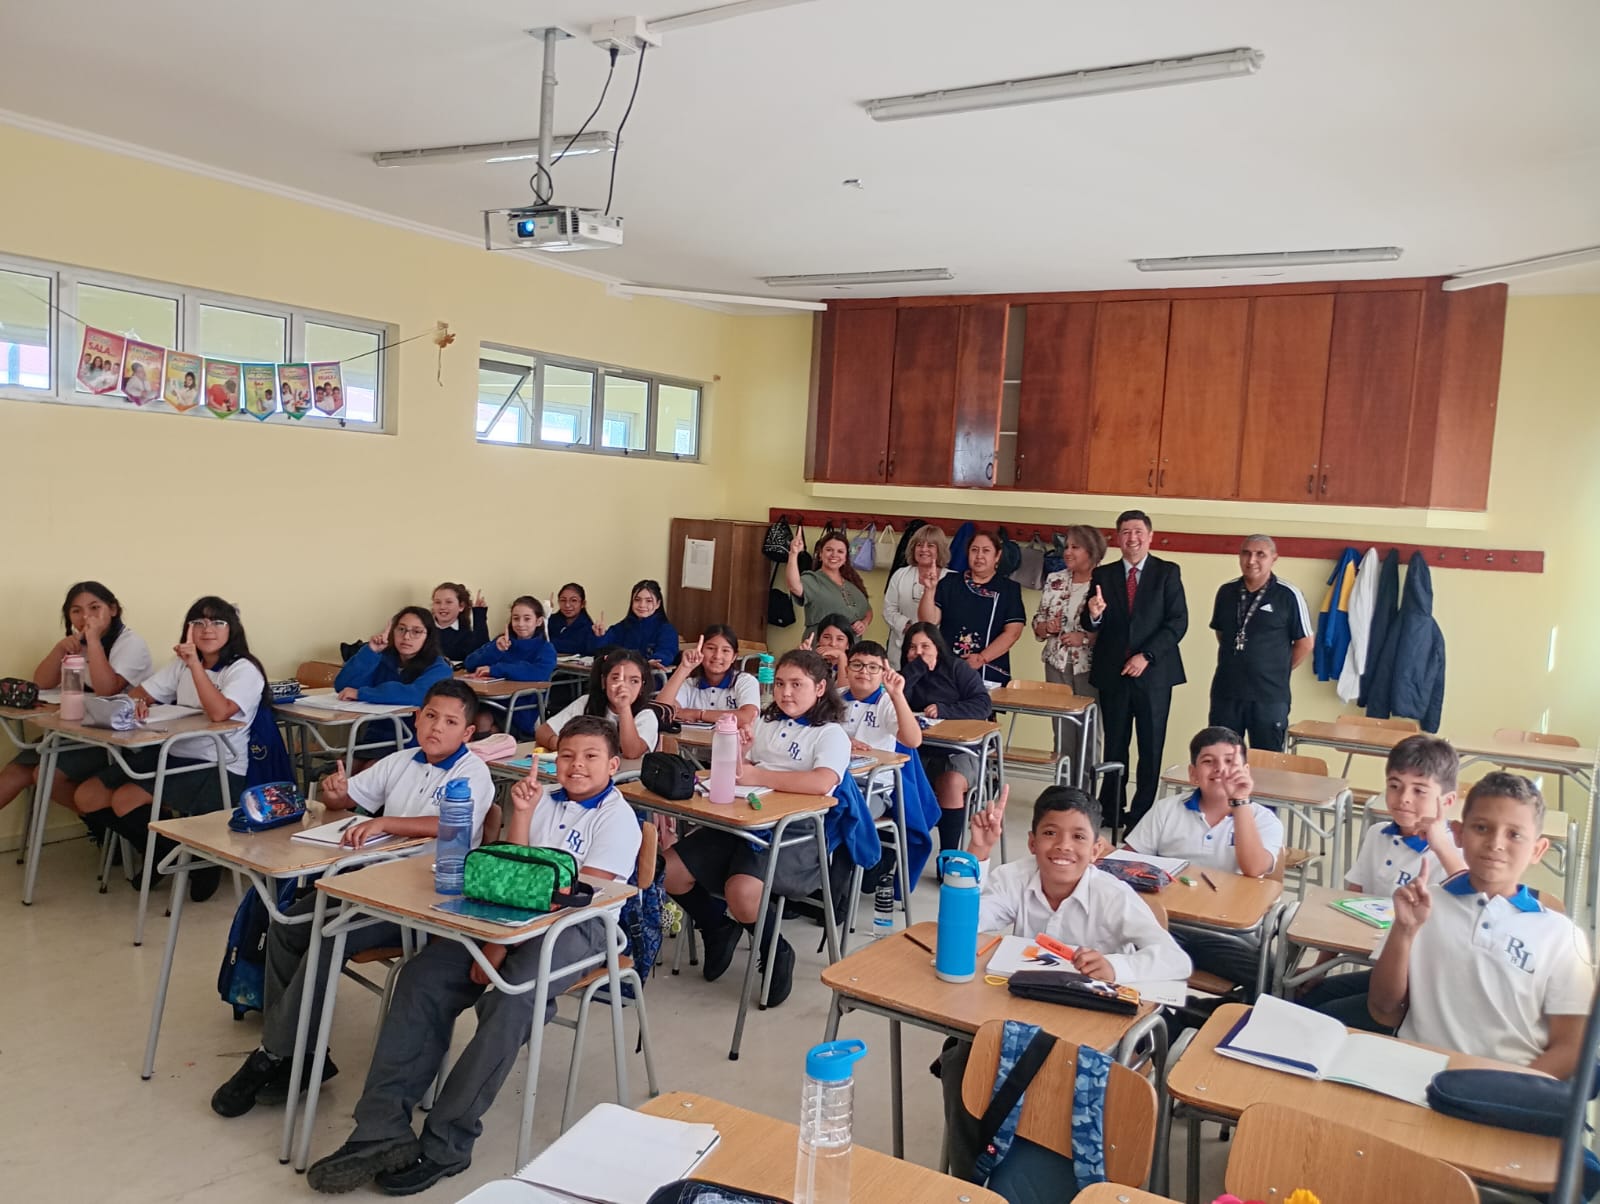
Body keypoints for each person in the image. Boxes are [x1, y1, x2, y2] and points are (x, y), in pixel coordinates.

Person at [305, 716, 642, 1194]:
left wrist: (500, 946)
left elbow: (573, 898)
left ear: (613, 765)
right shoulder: (541, 798)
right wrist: (521, 815)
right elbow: (510, 871)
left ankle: (447, 1142)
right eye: (567, 756)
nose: (576, 765)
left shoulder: (617, 818)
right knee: (422, 977)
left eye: (590, 757)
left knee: (512, 999)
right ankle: (380, 1129)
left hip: (581, 928)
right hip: (507, 917)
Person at [210, 680, 494, 1118]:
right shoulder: (400, 761)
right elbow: (344, 800)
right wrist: (336, 792)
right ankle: (306, 1056)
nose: (437, 727)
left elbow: (449, 824)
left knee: (328, 936)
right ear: (416, 718)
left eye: (451, 721)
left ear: (468, 732)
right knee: (287, 925)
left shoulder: (473, 773)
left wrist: (384, 823)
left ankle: (273, 1053)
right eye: (431, 716)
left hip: (423, 901)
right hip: (371, 884)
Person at [943, 785, 1191, 1193]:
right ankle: (972, 1180)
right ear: (1032, 842)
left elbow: (1176, 961)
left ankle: (1025, 1172)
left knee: (1037, 1074)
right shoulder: (1015, 877)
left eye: (1078, 836)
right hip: (1023, 1019)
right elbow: (961, 928)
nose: (1063, 846)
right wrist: (979, 853)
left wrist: (1116, 966)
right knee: (961, 1060)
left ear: (1096, 850)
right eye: (1050, 833)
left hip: (1091, 1032)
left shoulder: (1113, 896)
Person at [1369, 773, 1594, 1077]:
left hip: (1506, 1089)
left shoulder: (1562, 936)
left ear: (1538, 850)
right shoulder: (1422, 905)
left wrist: (1498, 1090)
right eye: (1481, 828)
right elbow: (1383, 1012)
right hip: (1416, 1073)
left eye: (1514, 835)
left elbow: (1571, 1048)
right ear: (1458, 834)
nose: (1495, 844)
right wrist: (1404, 931)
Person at [664, 648, 850, 1008]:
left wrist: (757, 774)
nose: (786, 692)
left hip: (794, 836)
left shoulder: (830, 734)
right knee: (669, 870)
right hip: (744, 822)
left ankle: (774, 948)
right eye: (779, 684)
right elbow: (743, 774)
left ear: (820, 687)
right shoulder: (767, 722)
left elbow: (822, 782)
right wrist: (740, 754)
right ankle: (718, 927)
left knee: (742, 892)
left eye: (797, 684)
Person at [73, 596, 268, 901]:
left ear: (232, 629)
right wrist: (137, 704)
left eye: (217, 622)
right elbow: (139, 694)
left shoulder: (243, 669)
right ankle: (168, 852)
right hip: (174, 752)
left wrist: (195, 665)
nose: (207, 629)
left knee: (125, 799)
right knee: (88, 796)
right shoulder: (180, 665)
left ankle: (198, 859)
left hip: (217, 763)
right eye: (198, 622)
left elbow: (219, 713)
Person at [1303, 734, 1464, 1026]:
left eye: (1419, 790)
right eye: (1394, 785)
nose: (1404, 798)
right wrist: (1320, 968)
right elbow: (1349, 906)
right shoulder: (1378, 834)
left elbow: (1474, 899)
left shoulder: (1456, 856)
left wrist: (1441, 844)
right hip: (1385, 971)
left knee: (1322, 1017)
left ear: (1448, 801)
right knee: (1301, 998)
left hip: (1424, 990)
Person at [1122, 726, 1281, 993]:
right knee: (1122, 954)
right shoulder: (1166, 810)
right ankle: (1155, 1012)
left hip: (1227, 932)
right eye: (1208, 762)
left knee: (1271, 977)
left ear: (1246, 771)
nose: (1220, 769)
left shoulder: (1264, 820)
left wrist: (1239, 803)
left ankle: (1217, 1012)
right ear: (1193, 774)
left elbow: (1254, 869)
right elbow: (1126, 863)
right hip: (1165, 923)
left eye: (1230, 761)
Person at [0, 582, 152, 835]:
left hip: (114, 738)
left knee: (45, 775)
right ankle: (105, 827)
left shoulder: (130, 643)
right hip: (76, 731)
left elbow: (107, 690)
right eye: (76, 611)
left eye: (94, 608)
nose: (86, 618)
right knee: (15, 772)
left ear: (113, 609)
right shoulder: (76, 643)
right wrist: (60, 648)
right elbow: (42, 683)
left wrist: (93, 642)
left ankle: (110, 830)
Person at [1084, 509, 1188, 830]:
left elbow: (1177, 622)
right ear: (1117, 538)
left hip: (1154, 675)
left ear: (1150, 536)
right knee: (1115, 744)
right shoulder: (1103, 575)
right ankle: (1111, 809)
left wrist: (1147, 656)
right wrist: (1095, 614)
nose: (1132, 538)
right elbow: (1090, 621)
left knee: (1150, 746)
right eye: (1126, 532)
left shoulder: (1167, 572)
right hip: (1113, 673)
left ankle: (1142, 815)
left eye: (1138, 532)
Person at [1208, 535, 1313, 751]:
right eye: (1246, 553)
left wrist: (1276, 668)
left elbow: (1305, 643)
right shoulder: (1226, 592)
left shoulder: (1288, 595)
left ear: (1274, 558)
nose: (1251, 560)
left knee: (1268, 762)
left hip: (1269, 697)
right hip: (1227, 693)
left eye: (1260, 554)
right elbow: (1222, 634)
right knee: (1223, 757)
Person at [901, 621, 993, 857]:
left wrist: (945, 710)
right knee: (901, 781)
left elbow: (983, 704)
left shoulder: (956, 668)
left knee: (950, 782)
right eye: (912, 647)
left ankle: (949, 855)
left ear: (938, 648)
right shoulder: (905, 674)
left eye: (925, 646)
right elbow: (894, 700)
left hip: (958, 750)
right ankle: (902, 852)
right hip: (919, 750)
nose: (919, 653)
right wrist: (916, 669)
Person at [918, 529, 1026, 687]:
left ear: (997, 556)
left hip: (988, 669)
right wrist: (929, 590)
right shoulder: (950, 582)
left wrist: (982, 658)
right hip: (948, 668)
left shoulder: (1009, 589)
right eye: (974, 550)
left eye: (986, 551)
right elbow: (929, 621)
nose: (979, 556)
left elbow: (1013, 633)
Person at [838, 640, 921, 808]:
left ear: (883, 673)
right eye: (857, 665)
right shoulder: (834, 698)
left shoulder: (888, 703)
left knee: (847, 813)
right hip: (836, 780)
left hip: (873, 786)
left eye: (873, 667)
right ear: (846, 670)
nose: (864, 671)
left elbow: (913, 741)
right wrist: (842, 739)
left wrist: (897, 695)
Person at [534, 648, 659, 759]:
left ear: (642, 687)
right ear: (604, 682)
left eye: (634, 681)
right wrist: (563, 746)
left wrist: (624, 708)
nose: (624, 686)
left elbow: (632, 753)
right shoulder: (587, 703)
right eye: (616, 678)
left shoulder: (646, 715)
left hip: (626, 776)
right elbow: (543, 731)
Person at [463, 596, 557, 735]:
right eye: (516, 618)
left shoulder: (545, 648)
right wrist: (495, 649)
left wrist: (495, 669)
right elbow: (470, 663)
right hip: (491, 702)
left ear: (538, 621)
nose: (520, 624)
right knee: (470, 718)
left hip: (520, 709)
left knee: (483, 723)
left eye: (527, 619)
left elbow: (538, 672)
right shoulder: (502, 641)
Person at [1032, 523, 1107, 695]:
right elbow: (1038, 620)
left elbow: (1115, 628)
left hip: (1090, 666)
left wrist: (1085, 638)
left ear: (1092, 550)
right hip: (1055, 664)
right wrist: (1047, 628)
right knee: (1058, 712)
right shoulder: (1054, 579)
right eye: (1066, 547)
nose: (1067, 552)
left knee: (1089, 712)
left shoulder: (1107, 582)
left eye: (1075, 547)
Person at [335, 607, 454, 707]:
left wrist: (362, 694)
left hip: (413, 727)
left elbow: (417, 695)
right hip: (375, 725)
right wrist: (371, 652)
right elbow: (343, 686)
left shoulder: (439, 668)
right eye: (401, 629)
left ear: (428, 637)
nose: (406, 637)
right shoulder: (383, 658)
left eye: (416, 632)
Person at [656, 625, 759, 728]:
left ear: (734, 657)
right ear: (700, 651)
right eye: (711, 648)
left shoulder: (745, 681)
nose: (717, 656)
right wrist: (684, 668)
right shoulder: (690, 684)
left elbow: (747, 717)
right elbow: (661, 710)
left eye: (725, 651)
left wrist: (698, 714)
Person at [882, 525, 950, 667]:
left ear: (940, 550)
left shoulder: (951, 579)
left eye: (930, 546)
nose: (924, 549)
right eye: (919, 545)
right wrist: (908, 627)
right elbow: (889, 610)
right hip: (901, 651)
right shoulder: (900, 575)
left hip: (938, 654)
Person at [787, 530, 872, 641]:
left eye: (840, 551)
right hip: (820, 645)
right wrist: (793, 554)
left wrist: (864, 623)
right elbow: (794, 586)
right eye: (829, 550)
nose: (834, 554)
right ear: (820, 554)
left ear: (845, 558)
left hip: (850, 648)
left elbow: (867, 610)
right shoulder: (813, 579)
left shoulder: (852, 583)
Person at [594, 579, 679, 666]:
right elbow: (600, 650)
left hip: (651, 673)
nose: (642, 605)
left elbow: (666, 653)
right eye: (637, 600)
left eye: (649, 601)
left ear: (658, 604)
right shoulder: (622, 627)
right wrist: (600, 636)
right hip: (621, 672)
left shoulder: (666, 630)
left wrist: (651, 661)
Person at [430, 583, 489, 664]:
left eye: (448, 602)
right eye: (437, 602)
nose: (442, 607)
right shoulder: (423, 630)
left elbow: (482, 656)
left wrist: (479, 615)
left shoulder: (466, 635)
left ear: (461, 606)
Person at [801, 612, 856, 685]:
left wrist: (842, 657)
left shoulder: (856, 667)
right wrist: (801, 660)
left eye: (839, 639)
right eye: (827, 637)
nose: (833, 644)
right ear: (818, 641)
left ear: (848, 645)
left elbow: (844, 690)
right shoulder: (813, 664)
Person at [546, 582, 599, 656]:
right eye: (563, 600)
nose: (567, 605)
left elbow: (585, 650)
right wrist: (545, 616)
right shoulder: (550, 621)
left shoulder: (589, 628)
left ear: (583, 604)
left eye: (573, 600)